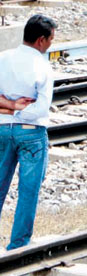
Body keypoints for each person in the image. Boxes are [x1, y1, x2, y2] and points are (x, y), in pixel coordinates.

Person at [0, 14, 56, 250]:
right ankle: (18, 243)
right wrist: (20, 108)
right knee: (28, 190)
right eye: (52, 39)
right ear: (41, 40)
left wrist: (8, 107)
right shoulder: (43, 66)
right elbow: (40, 108)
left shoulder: (3, 58)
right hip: (32, 134)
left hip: (2, 128)